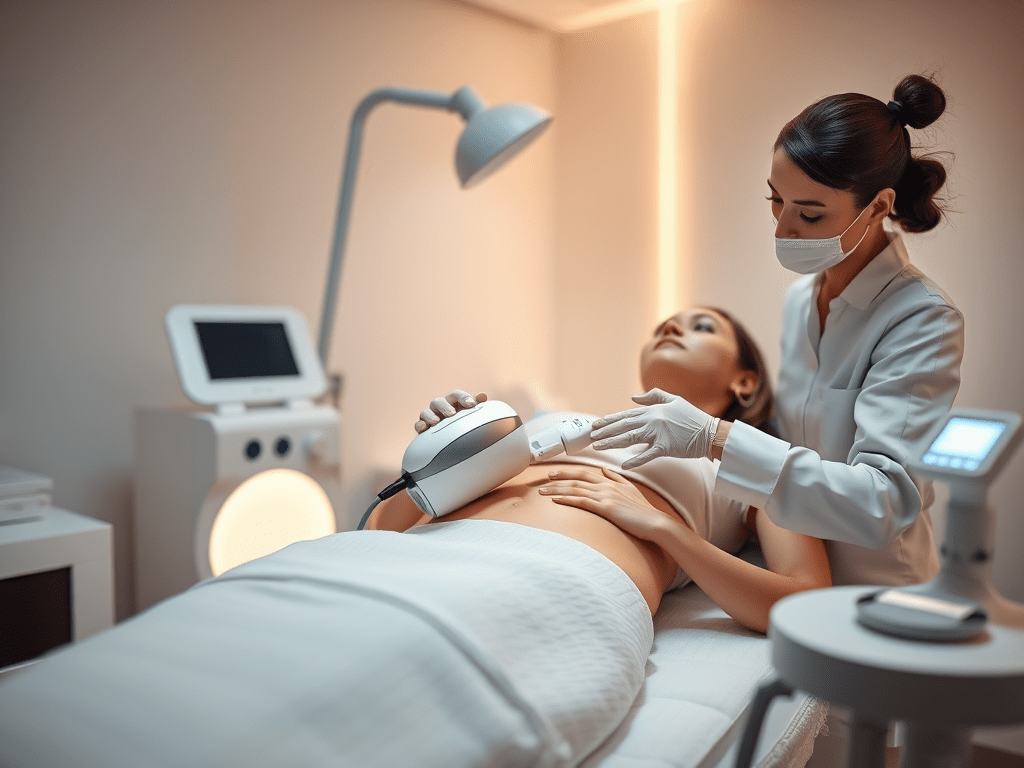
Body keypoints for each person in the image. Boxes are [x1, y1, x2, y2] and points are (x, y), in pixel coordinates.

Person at [591, 74, 964, 589]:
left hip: (877, 584)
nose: (783, 230)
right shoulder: (799, 302)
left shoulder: (920, 318)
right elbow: (789, 442)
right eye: (775, 201)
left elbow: (884, 502)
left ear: (878, 206)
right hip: (790, 560)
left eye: (810, 214)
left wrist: (714, 437)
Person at [368, 305, 831, 632]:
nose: (671, 325)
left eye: (702, 326)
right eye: (664, 325)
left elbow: (805, 602)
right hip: (410, 558)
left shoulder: (755, 461)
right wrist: (433, 460)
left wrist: (666, 530)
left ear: (745, 381)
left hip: (541, 582)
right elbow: (375, 536)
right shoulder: (561, 423)